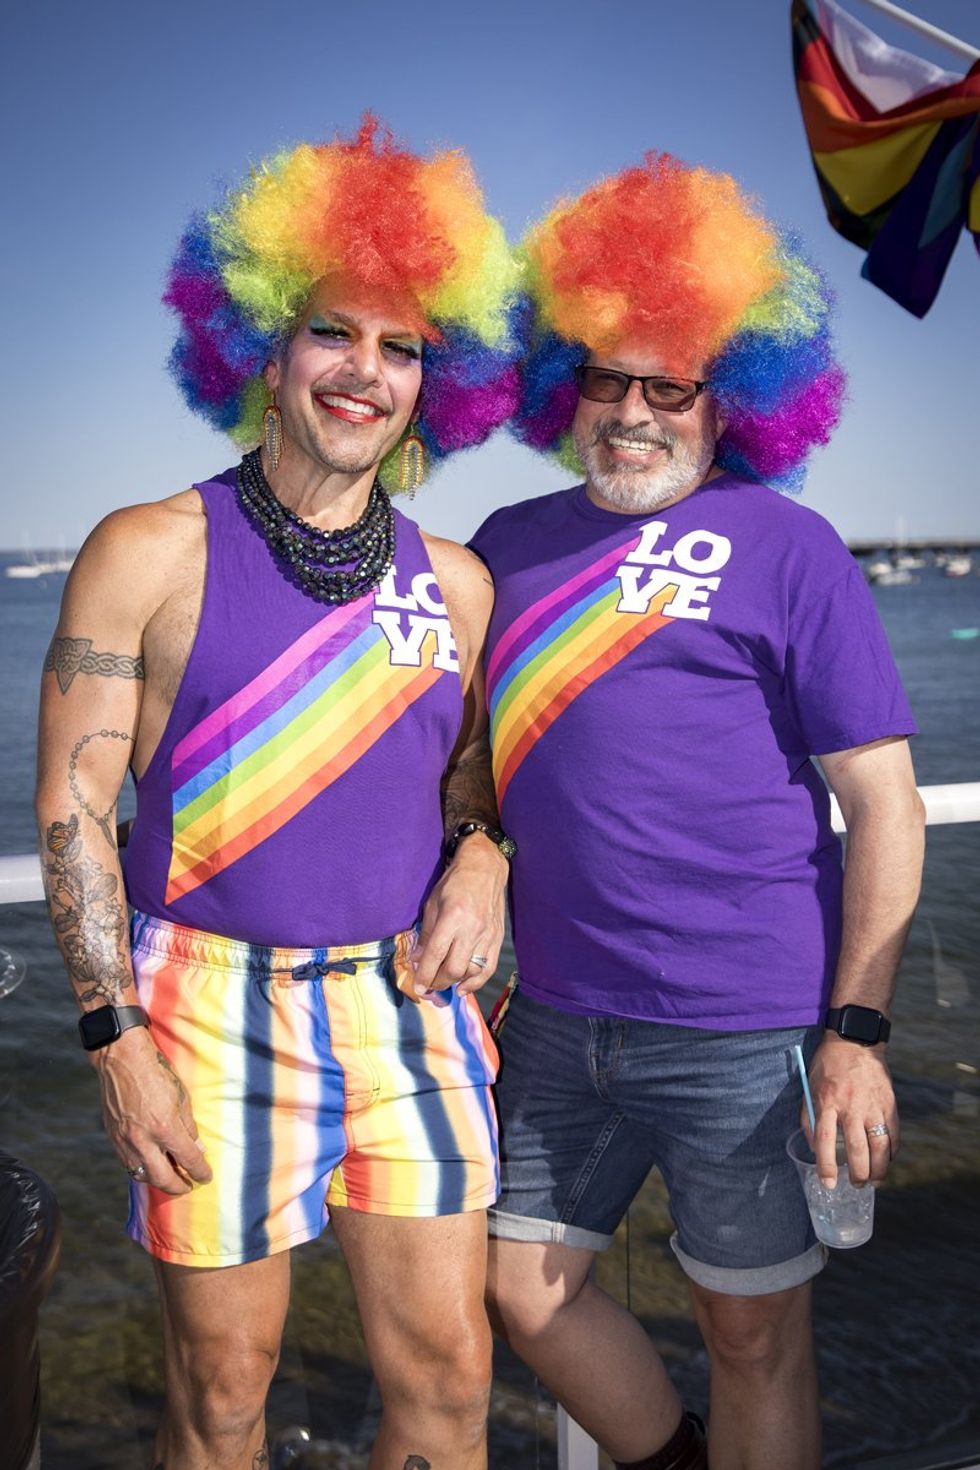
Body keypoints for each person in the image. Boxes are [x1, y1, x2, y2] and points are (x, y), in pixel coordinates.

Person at [36, 118, 521, 1470]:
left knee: (449, 1374)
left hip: (405, 1005)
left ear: (440, 378)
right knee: (226, 1390)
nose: (367, 371)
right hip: (200, 1005)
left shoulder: (462, 583)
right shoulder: (146, 550)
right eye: (333, 332)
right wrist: (113, 1037)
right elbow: (74, 802)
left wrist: (482, 850)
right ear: (262, 342)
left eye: (404, 345)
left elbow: (470, 768)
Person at [470, 155, 926, 1470]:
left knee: (753, 1335)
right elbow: (464, 757)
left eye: (665, 381)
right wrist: (474, 848)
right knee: (520, 1287)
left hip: (750, 1023)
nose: (628, 410)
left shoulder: (794, 549)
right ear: (567, 385)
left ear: (731, 400)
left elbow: (885, 806)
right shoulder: (507, 541)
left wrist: (855, 1028)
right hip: (556, 1016)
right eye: (604, 377)